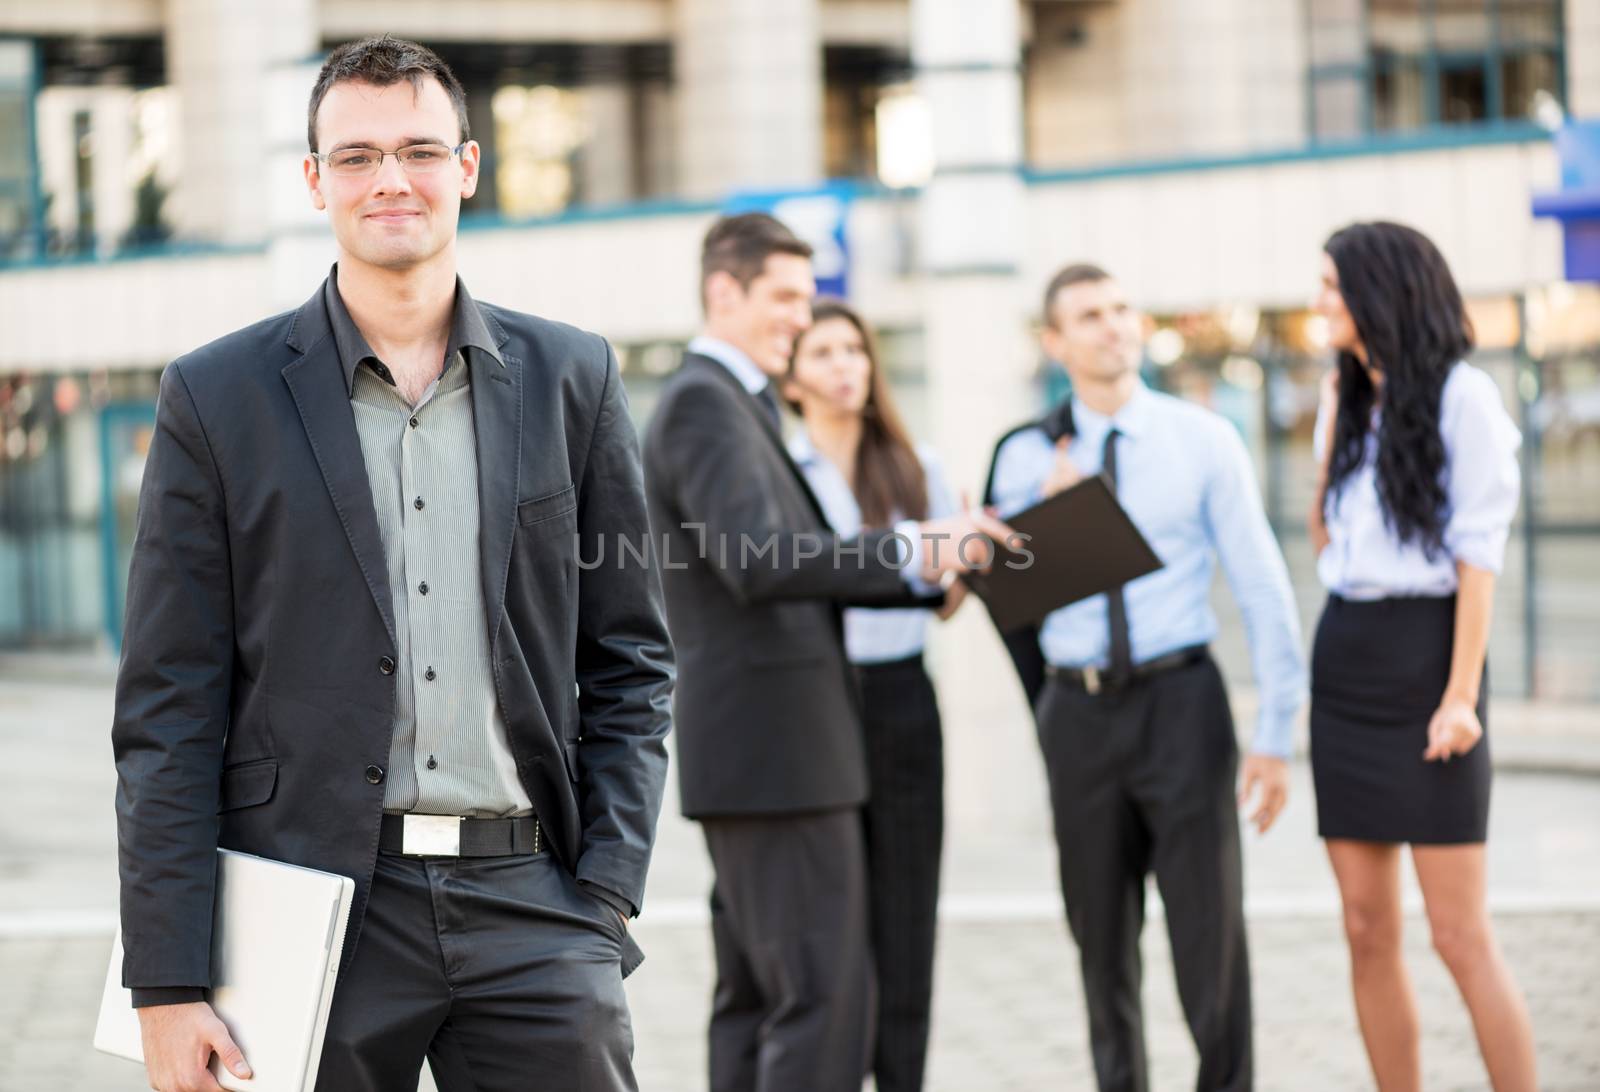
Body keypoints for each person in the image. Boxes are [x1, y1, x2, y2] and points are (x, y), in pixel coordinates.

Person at [112, 36, 673, 1092]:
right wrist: (168, 980)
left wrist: (604, 891)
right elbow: (167, 708)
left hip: (535, 903)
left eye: (418, 150)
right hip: (309, 901)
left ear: (466, 167)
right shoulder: (217, 396)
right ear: (316, 181)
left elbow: (631, 656)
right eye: (358, 156)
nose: (391, 180)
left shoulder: (574, 377)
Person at [642, 213, 1008, 1092]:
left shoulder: (737, 403)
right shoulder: (704, 401)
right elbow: (761, 561)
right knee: (820, 1001)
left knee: (757, 1000)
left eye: (808, 300)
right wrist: (920, 546)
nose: (800, 320)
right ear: (723, 291)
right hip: (781, 760)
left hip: (773, 755)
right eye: (785, 298)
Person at [984, 263, 1307, 1092]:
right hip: (1080, 716)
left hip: (1181, 706)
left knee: (1212, 940)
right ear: (1055, 342)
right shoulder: (1023, 456)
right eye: (1089, 315)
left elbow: (1262, 584)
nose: (1113, 325)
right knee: (1100, 941)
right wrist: (1051, 531)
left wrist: (1276, 734)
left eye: (1122, 309)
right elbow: (1006, 603)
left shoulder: (1202, 440)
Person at [1307, 221, 1536, 1092]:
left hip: (1428, 659)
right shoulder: (1345, 395)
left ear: (1382, 292)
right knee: (1366, 926)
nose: (1320, 302)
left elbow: (1480, 557)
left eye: (1333, 286)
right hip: (1347, 657)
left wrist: (1461, 694)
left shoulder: (1464, 398)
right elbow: (1325, 533)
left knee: (1457, 934)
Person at [781, 298, 964, 1092]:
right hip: (815, 703)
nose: (844, 366)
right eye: (822, 353)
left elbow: (950, 595)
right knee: (825, 923)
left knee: (905, 915)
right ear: (791, 379)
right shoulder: (782, 471)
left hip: (900, 704)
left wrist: (955, 567)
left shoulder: (917, 466)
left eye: (854, 351)